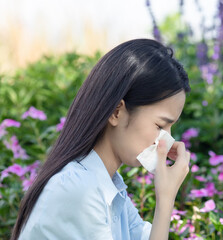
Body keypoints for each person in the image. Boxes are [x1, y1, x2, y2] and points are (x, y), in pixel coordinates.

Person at [11, 38, 192, 240]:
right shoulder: (78, 190)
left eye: (170, 128)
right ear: (116, 112)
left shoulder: (109, 186)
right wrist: (166, 198)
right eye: (160, 126)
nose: (166, 141)